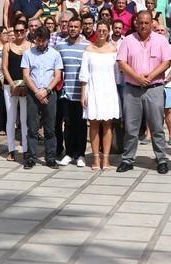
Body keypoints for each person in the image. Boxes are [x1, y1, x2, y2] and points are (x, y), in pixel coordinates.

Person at [116, 10, 171, 173]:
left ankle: (161, 159)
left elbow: (166, 62)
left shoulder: (161, 40)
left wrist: (150, 77)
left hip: (154, 88)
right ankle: (127, 159)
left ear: (151, 24)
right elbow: (122, 63)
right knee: (131, 127)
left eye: (146, 23)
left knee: (157, 127)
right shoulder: (128, 40)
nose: (143, 26)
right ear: (136, 23)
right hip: (132, 89)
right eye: (140, 22)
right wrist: (137, 77)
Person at [21, 26, 64, 168]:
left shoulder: (55, 54)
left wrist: (46, 90)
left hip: (49, 93)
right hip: (33, 93)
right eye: (38, 40)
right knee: (32, 127)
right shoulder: (28, 53)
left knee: (50, 127)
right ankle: (31, 157)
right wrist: (37, 92)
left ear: (48, 40)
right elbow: (26, 75)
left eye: (43, 41)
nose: (40, 43)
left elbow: (57, 76)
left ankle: (50, 157)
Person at [80, 20, 120, 171]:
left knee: (108, 124)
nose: (102, 33)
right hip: (93, 89)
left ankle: (106, 158)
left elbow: (117, 75)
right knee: (94, 124)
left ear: (109, 32)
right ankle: (96, 157)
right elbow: (84, 73)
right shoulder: (88, 49)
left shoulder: (113, 49)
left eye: (104, 30)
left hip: (109, 90)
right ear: (96, 31)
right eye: (100, 30)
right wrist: (83, 93)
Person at [55, 17, 89, 167]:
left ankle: (80, 154)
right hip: (66, 92)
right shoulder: (60, 46)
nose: (73, 29)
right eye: (71, 26)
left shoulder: (88, 46)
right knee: (68, 124)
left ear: (81, 29)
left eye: (76, 27)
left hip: (82, 93)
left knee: (81, 124)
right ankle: (69, 153)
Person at [2, 21, 32, 161]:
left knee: (25, 118)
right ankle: (11, 149)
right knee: (11, 117)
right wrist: (12, 84)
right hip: (10, 85)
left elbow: (32, 67)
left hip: (26, 85)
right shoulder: (7, 46)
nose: (19, 33)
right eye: (16, 30)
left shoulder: (31, 46)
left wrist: (27, 84)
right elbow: (4, 67)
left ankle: (25, 149)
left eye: (21, 30)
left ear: (26, 31)